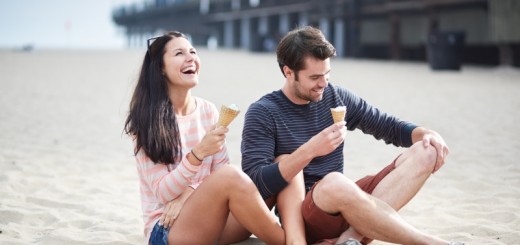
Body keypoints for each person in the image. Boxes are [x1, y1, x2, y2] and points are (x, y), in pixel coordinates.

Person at [241, 26, 464, 245]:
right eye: (315, 77)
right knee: (335, 183)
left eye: (327, 74)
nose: (324, 84)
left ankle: (349, 240)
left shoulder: (336, 97)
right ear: (288, 72)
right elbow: (256, 185)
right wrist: (310, 150)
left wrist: (426, 133)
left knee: (426, 152)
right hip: (305, 217)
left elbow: (387, 126)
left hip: (346, 204)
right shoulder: (263, 112)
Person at [124, 31, 285, 245]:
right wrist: (198, 154)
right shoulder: (146, 120)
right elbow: (163, 193)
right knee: (231, 176)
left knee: (279, 168)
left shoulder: (208, 111)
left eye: (193, 51)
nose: (190, 57)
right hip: (168, 231)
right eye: (179, 53)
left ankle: (298, 237)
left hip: (214, 222)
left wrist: (188, 193)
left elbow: (219, 173)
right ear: (160, 68)